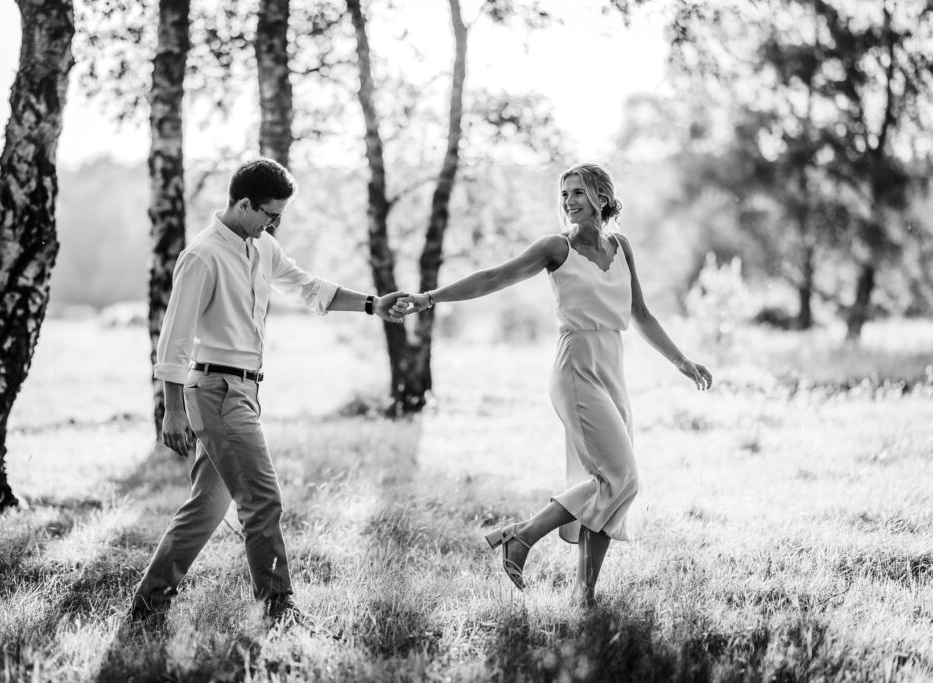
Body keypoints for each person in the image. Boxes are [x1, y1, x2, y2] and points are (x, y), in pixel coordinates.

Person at [399, 163, 712, 606]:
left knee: (606, 484)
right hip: (576, 368)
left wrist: (681, 360)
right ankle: (522, 536)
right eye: (564, 194)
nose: (569, 201)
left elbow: (640, 313)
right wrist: (429, 299)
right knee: (621, 477)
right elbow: (493, 277)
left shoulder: (621, 246)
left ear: (602, 197)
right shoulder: (556, 248)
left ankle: (583, 597)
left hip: (612, 366)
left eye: (578, 192)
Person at [130, 158, 410, 626]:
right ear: (243, 203)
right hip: (215, 390)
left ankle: (147, 605)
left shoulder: (261, 247)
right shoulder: (202, 255)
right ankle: (278, 610)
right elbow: (174, 339)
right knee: (263, 500)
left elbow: (306, 286)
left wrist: (370, 304)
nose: (274, 223)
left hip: (244, 391)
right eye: (269, 213)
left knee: (207, 507)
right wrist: (172, 411)